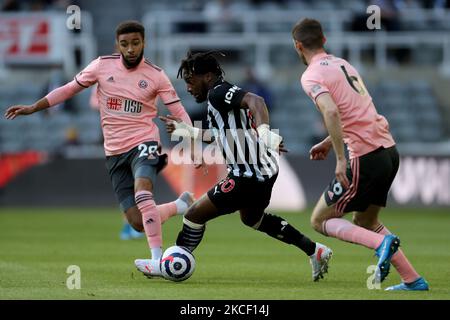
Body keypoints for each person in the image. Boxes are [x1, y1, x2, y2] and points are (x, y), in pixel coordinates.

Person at [4, 20, 195, 277]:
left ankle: (157, 260)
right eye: (125, 44)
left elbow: (179, 111)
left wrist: (192, 139)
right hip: (114, 152)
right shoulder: (101, 66)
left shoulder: (155, 75)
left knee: (143, 192)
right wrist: (33, 107)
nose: (130, 49)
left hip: (145, 142)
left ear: (144, 43)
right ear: (117, 44)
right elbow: (69, 89)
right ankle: (180, 206)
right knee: (137, 222)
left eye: (135, 43)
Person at [157, 51, 333, 282]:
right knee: (252, 219)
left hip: (248, 174)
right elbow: (225, 135)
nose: (188, 88)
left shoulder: (218, 92)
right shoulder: (219, 97)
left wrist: (265, 134)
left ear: (208, 76)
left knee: (193, 215)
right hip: (261, 171)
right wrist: (187, 131)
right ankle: (315, 250)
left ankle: (174, 264)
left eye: (190, 81)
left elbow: (256, 101)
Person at [292, 18, 428, 290]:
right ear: (325, 41)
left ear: (298, 46)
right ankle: (412, 280)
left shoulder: (311, 75)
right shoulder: (344, 64)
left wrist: (340, 159)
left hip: (363, 156)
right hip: (388, 152)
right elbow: (356, 112)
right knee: (366, 220)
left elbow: (331, 111)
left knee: (320, 220)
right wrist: (329, 142)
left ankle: (382, 244)